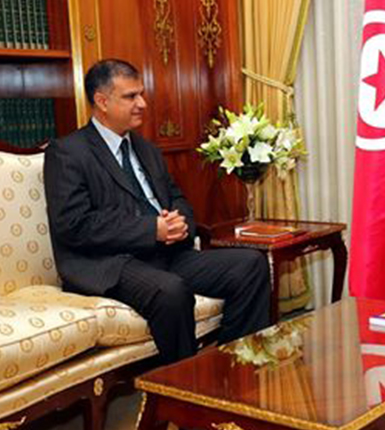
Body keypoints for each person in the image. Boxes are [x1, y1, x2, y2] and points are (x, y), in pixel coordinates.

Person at [44, 59, 270, 364]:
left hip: (166, 254)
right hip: (111, 263)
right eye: (131, 96)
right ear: (102, 101)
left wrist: (179, 223)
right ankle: (185, 383)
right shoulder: (69, 152)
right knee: (171, 291)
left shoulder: (145, 149)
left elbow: (178, 198)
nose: (142, 104)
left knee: (251, 264)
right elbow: (74, 225)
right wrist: (152, 230)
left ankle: (231, 365)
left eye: (141, 94)